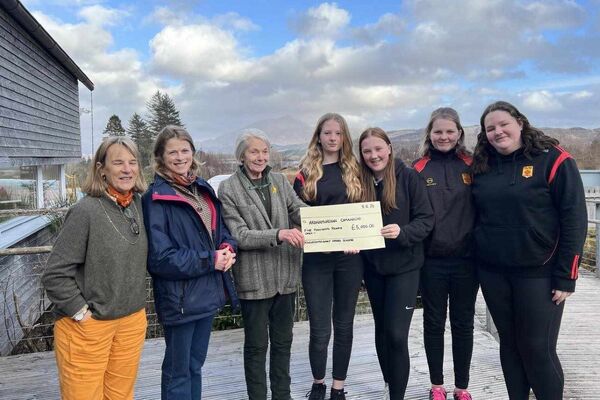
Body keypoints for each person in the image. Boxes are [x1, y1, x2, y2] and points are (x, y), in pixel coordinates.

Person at [471, 101, 587, 400]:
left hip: (541, 272)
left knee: (537, 348)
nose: (498, 132)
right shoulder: (483, 165)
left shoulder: (554, 160)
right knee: (509, 345)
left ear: (520, 123)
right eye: (490, 128)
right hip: (494, 272)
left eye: (503, 125)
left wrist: (567, 275)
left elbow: (574, 219)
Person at [42, 137, 148, 400]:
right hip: (89, 326)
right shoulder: (85, 211)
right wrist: (82, 314)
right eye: (118, 162)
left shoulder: (137, 205)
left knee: (121, 396)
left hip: (130, 322)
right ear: (102, 169)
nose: (127, 169)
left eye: (132, 162)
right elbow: (55, 274)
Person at [142, 125, 239, 400]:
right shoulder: (155, 198)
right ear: (160, 157)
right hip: (180, 300)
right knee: (178, 371)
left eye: (185, 150)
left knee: (195, 367)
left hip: (206, 294)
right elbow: (160, 259)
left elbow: (219, 232)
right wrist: (211, 260)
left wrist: (227, 248)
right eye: (172, 152)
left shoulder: (202, 189)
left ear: (193, 153)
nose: (180, 156)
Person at [218, 129, 306, 400]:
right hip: (254, 281)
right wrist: (279, 234)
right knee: (256, 347)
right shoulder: (229, 188)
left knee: (283, 343)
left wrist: (330, 221)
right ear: (241, 156)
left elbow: (297, 210)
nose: (260, 157)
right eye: (254, 151)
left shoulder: (280, 180)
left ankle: (283, 396)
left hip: (285, 278)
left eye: (265, 151)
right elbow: (240, 235)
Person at [358, 127, 434, 400]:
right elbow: (350, 220)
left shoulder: (410, 177)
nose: (373, 155)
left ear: (389, 148)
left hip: (405, 267)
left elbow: (426, 220)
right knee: (381, 331)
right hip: (374, 268)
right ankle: (390, 384)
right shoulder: (359, 181)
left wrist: (403, 233)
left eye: (378, 149)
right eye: (367, 151)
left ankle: (398, 395)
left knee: (396, 334)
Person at [293, 113, 363, 400]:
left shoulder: (356, 170)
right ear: (318, 136)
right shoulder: (305, 173)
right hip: (317, 260)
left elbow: (367, 212)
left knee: (344, 324)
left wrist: (358, 238)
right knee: (320, 327)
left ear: (344, 137)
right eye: (327, 133)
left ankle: (338, 386)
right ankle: (319, 382)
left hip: (349, 259)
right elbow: (294, 214)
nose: (333, 138)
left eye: (338, 133)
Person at [412, 108, 479, 400]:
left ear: (460, 133)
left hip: (467, 261)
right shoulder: (417, 169)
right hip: (432, 262)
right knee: (434, 323)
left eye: (450, 131)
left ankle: (461, 387)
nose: (444, 137)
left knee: (463, 324)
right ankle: (437, 385)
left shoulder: (474, 165)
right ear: (430, 133)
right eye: (438, 131)